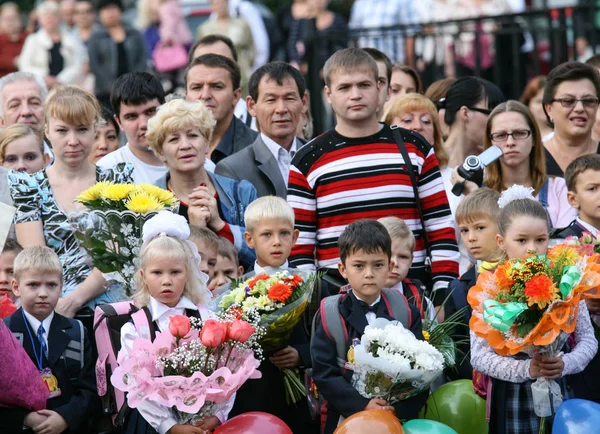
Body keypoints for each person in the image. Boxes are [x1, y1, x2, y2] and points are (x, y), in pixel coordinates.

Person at [288, 48, 459, 304]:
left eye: (364, 85)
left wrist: (442, 296)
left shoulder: (416, 148)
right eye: (344, 87)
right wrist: (313, 306)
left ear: (381, 88)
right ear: (328, 94)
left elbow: (440, 229)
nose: (355, 94)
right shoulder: (307, 160)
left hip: (413, 300)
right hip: (338, 303)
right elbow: (300, 249)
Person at [470, 188, 597, 433]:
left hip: (562, 387)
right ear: (501, 241)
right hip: (513, 396)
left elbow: (587, 340)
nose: (532, 249)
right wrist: (527, 369)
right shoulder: (490, 289)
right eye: (521, 240)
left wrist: (566, 362)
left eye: (540, 240)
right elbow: (479, 356)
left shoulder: (566, 280)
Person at [8, 86, 133, 316]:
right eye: (62, 131)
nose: (73, 141)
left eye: (82, 129)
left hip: (114, 302)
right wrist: (60, 303)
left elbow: (118, 252)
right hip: (50, 302)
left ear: (95, 129)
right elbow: (36, 259)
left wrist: (75, 300)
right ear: (46, 131)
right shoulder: (29, 188)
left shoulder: (117, 180)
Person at [311, 219, 427, 434]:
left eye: (378, 265)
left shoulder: (405, 311)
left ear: (390, 267)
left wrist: (398, 408)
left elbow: (420, 369)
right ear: (343, 269)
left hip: (394, 417)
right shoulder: (331, 315)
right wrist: (361, 405)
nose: (369, 273)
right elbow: (324, 373)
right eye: (359, 265)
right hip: (345, 419)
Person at [119, 212, 223, 434]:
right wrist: (170, 426)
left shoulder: (206, 319)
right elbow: (137, 386)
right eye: (157, 272)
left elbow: (225, 371)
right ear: (143, 275)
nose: (166, 280)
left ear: (187, 273)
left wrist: (217, 414)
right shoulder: (136, 327)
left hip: (202, 420)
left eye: (175, 272)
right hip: (153, 424)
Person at [229, 196, 315, 433]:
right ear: (250, 239)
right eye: (267, 234)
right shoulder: (236, 291)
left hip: (299, 397)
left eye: (284, 234)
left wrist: (302, 354)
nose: (276, 242)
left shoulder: (311, 285)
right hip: (252, 393)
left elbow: (324, 337)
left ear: (295, 237)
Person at [146, 98, 257, 270]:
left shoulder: (242, 193)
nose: (185, 145)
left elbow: (263, 253)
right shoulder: (147, 204)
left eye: (192, 135)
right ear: (160, 152)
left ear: (206, 144)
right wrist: (195, 232)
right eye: (174, 139)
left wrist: (221, 225)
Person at [4, 246, 100, 433]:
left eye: (51, 285)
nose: (43, 293)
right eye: (33, 285)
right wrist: (24, 419)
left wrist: (66, 417)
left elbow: (91, 390)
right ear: (16, 287)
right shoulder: (4, 332)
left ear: (61, 286)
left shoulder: (77, 331)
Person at [467, 101, 576, 228]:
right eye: (501, 135)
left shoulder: (559, 188)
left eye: (519, 133)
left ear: (534, 138)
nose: (510, 142)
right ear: (490, 142)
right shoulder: (478, 191)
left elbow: (567, 242)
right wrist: (472, 192)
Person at [215, 62, 308, 198]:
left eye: (289, 98)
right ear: (252, 106)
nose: (281, 109)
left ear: (304, 102)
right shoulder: (233, 169)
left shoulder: (319, 156)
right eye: (271, 100)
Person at [554, 154, 600, 403]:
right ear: (573, 198)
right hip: (584, 358)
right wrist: (581, 299)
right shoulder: (562, 243)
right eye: (593, 188)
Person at [444, 188, 501, 380]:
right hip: (477, 384)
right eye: (464, 230)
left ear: (503, 226)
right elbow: (455, 349)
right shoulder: (459, 288)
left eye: (480, 228)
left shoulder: (523, 273)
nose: (471, 238)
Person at [96, 72, 170, 185]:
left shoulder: (194, 162)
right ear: (119, 122)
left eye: (150, 112)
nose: (144, 124)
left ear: (165, 110)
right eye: (132, 116)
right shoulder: (106, 170)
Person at [185, 54, 258, 164]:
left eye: (216, 87)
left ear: (236, 96)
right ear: (186, 96)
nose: (205, 95)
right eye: (196, 87)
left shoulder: (258, 150)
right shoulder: (168, 147)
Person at [543, 61, 600, 177]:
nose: (579, 108)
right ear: (549, 109)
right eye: (568, 101)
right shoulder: (531, 160)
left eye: (588, 101)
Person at [188, 34, 256, 131]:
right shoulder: (171, 127)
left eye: (221, 63)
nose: (205, 95)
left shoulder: (261, 126)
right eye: (201, 62)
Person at [87, 0, 147, 108]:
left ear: (120, 11)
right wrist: (113, 88)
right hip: (106, 92)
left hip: (135, 90)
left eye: (113, 8)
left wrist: (134, 84)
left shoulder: (134, 34)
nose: (110, 13)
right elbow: (95, 65)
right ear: (100, 14)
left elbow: (142, 59)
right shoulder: (96, 37)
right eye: (105, 10)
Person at [378, 216, 435, 321]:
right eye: (388, 254)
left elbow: (434, 336)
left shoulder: (422, 302)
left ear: (411, 261)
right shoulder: (352, 298)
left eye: (403, 257)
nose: (394, 263)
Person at [18, 1, 86, 88]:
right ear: (40, 20)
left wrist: (59, 80)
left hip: (67, 87)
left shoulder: (71, 39)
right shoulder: (32, 39)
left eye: (53, 15)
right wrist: (44, 78)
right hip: (40, 87)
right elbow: (24, 65)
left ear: (59, 18)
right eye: (46, 16)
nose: (50, 19)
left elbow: (78, 64)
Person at [443, 77, 505, 170]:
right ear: (465, 113)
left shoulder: (496, 165)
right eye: (491, 114)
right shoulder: (427, 163)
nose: (499, 122)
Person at [197, 0, 255, 95]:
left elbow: (251, 48)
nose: (220, 6)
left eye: (222, 2)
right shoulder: (205, 28)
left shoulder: (241, 24)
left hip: (241, 72)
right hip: (214, 73)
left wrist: (248, 64)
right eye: (216, 3)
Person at [0, 72, 54, 164]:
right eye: (15, 105)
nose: (26, 112)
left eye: (34, 102)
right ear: (1, 121)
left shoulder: (67, 162)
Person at [286, 0, 348, 75]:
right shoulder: (300, 22)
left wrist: (330, 67)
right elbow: (292, 45)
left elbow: (343, 46)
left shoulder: (338, 20)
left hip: (333, 71)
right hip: (306, 72)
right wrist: (300, 63)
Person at [349, 0, 419, 65]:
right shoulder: (359, 4)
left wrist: (410, 64)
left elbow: (410, 33)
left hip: (395, 64)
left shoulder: (403, 2)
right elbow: (354, 35)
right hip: (367, 65)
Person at [362, 47, 392, 121]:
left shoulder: (402, 133)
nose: (374, 89)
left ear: (388, 92)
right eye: (364, 83)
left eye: (380, 81)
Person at [519, 75, 553, 141]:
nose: (544, 106)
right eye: (539, 101)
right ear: (528, 104)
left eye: (549, 101)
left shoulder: (565, 136)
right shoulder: (520, 136)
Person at [0, 3, 28, 78]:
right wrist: (12, 62)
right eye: (6, 19)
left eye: (13, 18)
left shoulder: (29, 37)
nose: (10, 22)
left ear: (20, 18)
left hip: (26, 82)